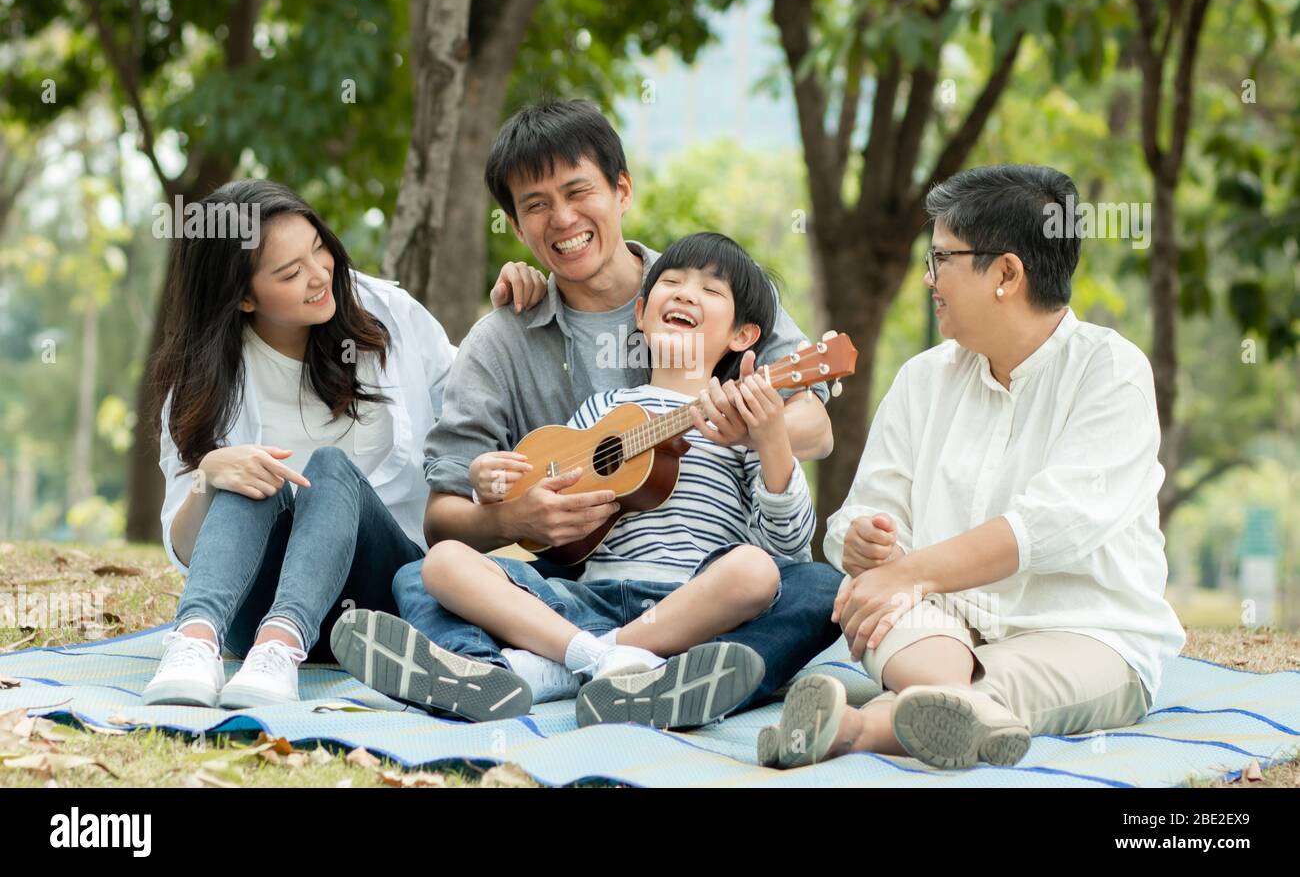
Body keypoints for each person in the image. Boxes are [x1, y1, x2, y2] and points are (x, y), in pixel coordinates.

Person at [331, 100, 845, 726]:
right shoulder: (506, 339)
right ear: (517, 227)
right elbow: (445, 516)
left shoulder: (701, 279)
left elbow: (813, 426)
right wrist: (515, 511)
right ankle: (526, 673)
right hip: (579, 579)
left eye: (579, 191)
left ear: (621, 190)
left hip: (701, 582)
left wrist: (752, 432)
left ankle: (566, 670)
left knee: (813, 587)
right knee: (424, 574)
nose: (563, 219)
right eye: (536, 205)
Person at [763, 164, 1186, 770]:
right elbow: (863, 513)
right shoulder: (923, 379)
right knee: (874, 597)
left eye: (941, 260)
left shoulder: (1110, 372)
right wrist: (864, 544)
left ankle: (854, 727)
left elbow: (1051, 526)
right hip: (937, 626)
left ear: (1006, 273)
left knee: (1001, 682)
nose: (929, 279)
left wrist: (912, 575)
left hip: (1085, 633)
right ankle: (943, 712)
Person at [142, 179, 547, 709]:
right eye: (289, 273)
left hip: (380, 600)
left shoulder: (389, 315)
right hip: (253, 607)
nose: (318, 277)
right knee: (245, 474)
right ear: (243, 297)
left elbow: (480, 402)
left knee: (329, 468)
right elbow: (188, 550)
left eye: (319, 250)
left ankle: (283, 648)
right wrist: (208, 477)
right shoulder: (201, 384)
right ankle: (194, 644)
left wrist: (516, 320)